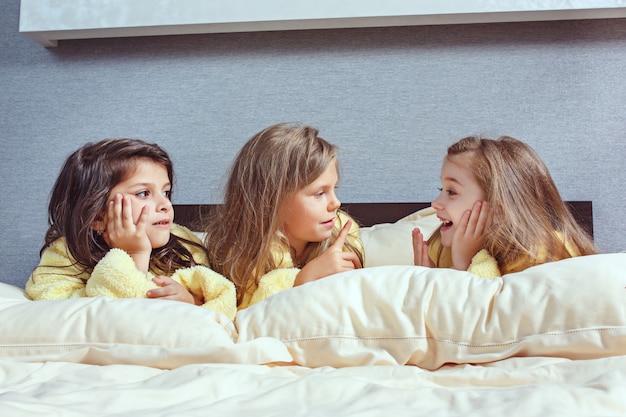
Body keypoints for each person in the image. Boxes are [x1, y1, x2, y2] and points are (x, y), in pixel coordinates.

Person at [26, 138, 236, 319]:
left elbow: (221, 303)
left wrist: (192, 302)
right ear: (97, 215)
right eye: (143, 193)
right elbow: (77, 316)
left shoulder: (183, 244)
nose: (165, 204)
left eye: (166, 192)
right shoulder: (67, 254)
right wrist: (134, 255)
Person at [204, 122, 364, 309]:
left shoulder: (342, 241)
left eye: (333, 189)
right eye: (320, 193)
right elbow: (248, 318)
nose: (336, 203)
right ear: (272, 200)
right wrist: (303, 280)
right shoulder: (243, 259)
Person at [412, 135, 597, 278]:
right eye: (441, 189)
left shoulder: (541, 254)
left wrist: (464, 265)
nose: (435, 203)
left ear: (499, 210)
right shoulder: (442, 250)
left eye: (451, 192)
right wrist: (429, 282)